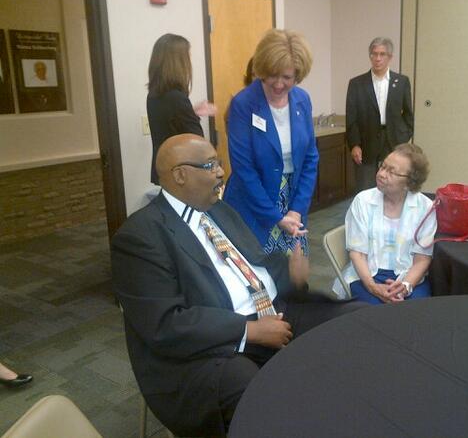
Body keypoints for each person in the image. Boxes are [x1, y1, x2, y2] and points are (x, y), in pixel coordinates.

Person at [111, 134, 363, 437]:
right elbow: (165, 324)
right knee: (253, 391)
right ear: (180, 175)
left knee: (354, 319)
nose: (221, 172)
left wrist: (291, 278)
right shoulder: (140, 236)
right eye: (210, 165)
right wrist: (248, 330)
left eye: (219, 163)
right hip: (207, 346)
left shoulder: (220, 209)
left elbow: (257, 264)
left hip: (272, 310)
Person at [224, 29, 318, 256]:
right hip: (254, 202)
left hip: (293, 202)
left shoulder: (302, 100)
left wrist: (297, 209)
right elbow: (244, 169)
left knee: (294, 269)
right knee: (259, 267)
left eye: (287, 77)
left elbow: (310, 159)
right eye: (273, 75)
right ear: (262, 69)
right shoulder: (244, 104)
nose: (278, 84)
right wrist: (275, 216)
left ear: (298, 75)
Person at [338, 143, 436, 304]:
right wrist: (373, 287)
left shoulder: (426, 208)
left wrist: (406, 285)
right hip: (367, 274)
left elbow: (422, 258)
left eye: (391, 172)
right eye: (382, 167)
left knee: (417, 311)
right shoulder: (363, 201)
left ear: (409, 182)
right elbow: (357, 254)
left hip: (408, 275)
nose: (381, 174)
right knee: (375, 312)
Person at [346, 37, 414, 192]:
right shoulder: (357, 84)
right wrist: (355, 144)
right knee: (365, 187)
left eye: (382, 54)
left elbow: (408, 114)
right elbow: (351, 117)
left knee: (393, 185)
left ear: (390, 57)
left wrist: (404, 136)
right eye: (374, 54)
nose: (377, 58)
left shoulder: (402, 82)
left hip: (393, 140)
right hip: (366, 141)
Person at [146, 33, 216, 184]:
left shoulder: (154, 95)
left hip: (164, 168)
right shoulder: (177, 98)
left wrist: (191, 112)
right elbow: (197, 142)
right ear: (178, 63)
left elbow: (170, 126)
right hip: (180, 175)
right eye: (187, 58)